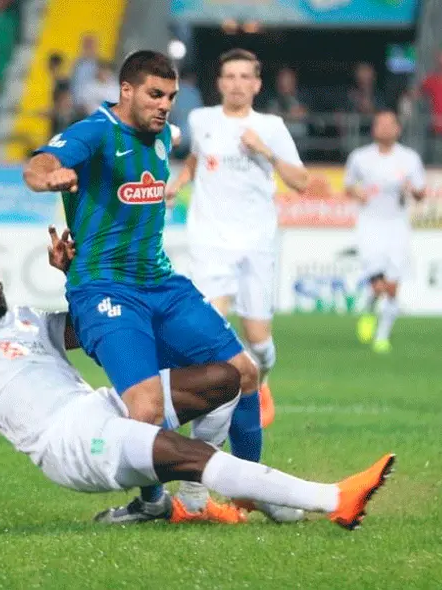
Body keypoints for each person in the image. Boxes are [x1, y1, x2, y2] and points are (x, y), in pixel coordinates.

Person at [0, 244, 395, 528]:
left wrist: (75, 274)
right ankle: (332, 498)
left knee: (228, 376)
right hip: (68, 443)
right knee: (184, 452)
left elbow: (91, 327)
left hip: (97, 406)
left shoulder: (25, 319)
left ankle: (186, 499)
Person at [23, 50, 280, 524]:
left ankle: (253, 484)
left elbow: (183, 139)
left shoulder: (165, 133)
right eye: (155, 95)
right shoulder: (97, 131)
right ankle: (151, 502)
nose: (165, 105)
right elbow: (39, 163)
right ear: (126, 91)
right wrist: (50, 177)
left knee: (245, 373)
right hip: (105, 291)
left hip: (161, 283)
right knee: (142, 408)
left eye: (171, 97)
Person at [168, 48, 309, 435]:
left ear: (257, 84)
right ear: (219, 82)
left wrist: (264, 150)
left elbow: (300, 182)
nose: (237, 84)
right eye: (230, 76)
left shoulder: (272, 126)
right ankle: (216, 406)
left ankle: (260, 382)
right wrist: (179, 181)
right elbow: (197, 157)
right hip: (210, 239)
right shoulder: (201, 119)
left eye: (245, 77)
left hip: (257, 242)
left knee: (258, 341)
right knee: (211, 329)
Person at [344, 110, 426, 354]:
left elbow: (421, 194)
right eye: (381, 124)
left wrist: (412, 190)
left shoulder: (409, 159)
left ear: (398, 129)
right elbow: (349, 185)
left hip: (397, 225)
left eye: (391, 124)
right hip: (370, 224)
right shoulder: (360, 157)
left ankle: (382, 336)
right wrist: (358, 193)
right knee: (377, 285)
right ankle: (370, 308)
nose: (386, 129)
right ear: (374, 129)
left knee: (392, 285)